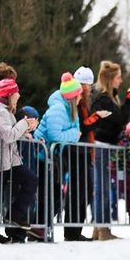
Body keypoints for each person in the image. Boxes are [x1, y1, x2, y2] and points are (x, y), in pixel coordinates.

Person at [90, 60, 130, 240]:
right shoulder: (103, 98)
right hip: (102, 146)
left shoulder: (108, 97)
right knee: (102, 188)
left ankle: (100, 228)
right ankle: (102, 228)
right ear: (111, 79)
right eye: (118, 78)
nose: (121, 80)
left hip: (106, 146)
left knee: (102, 187)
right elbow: (120, 119)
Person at [0, 77, 38, 243]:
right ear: (9, 95)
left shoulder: (5, 111)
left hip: (7, 161)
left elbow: (10, 133)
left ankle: (13, 217)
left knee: (28, 181)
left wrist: (26, 131)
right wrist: (24, 123)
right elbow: (8, 135)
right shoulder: (0, 112)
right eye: (16, 93)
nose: (18, 96)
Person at [63, 66, 112, 241]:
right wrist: (98, 117)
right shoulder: (77, 101)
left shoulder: (84, 102)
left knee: (84, 190)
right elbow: (82, 125)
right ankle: (72, 231)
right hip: (77, 150)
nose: (90, 89)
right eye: (87, 85)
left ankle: (75, 230)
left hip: (84, 150)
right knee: (78, 191)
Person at [33, 73, 83, 239]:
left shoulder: (70, 110)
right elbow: (55, 135)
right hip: (41, 156)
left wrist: (74, 132)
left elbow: (75, 130)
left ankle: (41, 227)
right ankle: (38, 227)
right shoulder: (59, 109)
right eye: (79, 93)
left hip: (51, 157)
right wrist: (74, 134)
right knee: (48, 194)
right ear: (72, 96)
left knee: (55, 194)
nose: (82, 96)